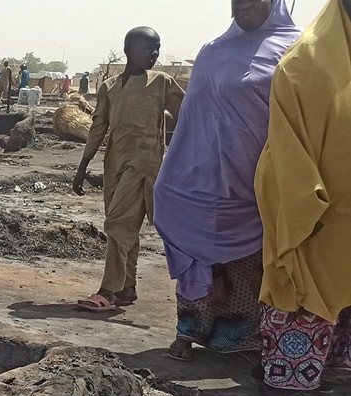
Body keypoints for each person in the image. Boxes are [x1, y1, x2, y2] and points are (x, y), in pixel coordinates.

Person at [152, 0, 300, 363]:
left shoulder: (298, 48)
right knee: (195, 243)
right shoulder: (212, 52)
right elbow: (192, 118)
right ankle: (188, 331)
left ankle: (245, 337)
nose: (244, 4)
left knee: (253, 262)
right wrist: (173, 171)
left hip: (259, 182)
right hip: (205, 176)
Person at [253, 0, 351, 396]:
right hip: (316, 210)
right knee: (303, 293)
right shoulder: (306, 62)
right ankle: (284, 382)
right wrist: (303, 207)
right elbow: (287, 147)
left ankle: (328, 372)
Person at [73, 27, 186, 312]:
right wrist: (83, 166)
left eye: (157, 48)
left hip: (144, 166)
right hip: (114, 165)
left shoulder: (162, 82)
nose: (154, 54)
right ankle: (127, 287)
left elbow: (189, 116)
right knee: (126, 228)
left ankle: (108, 290)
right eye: (148, 48)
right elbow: (98, 126)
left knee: (117, 225)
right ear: (128, 50)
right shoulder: (109, 87)